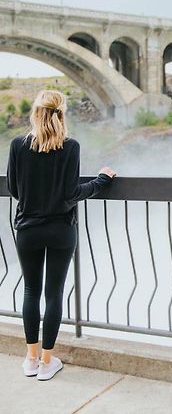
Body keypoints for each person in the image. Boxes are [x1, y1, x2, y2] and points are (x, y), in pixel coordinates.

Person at [6, 89, 117, 381]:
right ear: (61, 113)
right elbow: (71, 194)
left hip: (28, 229)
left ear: (36, 112)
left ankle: (30, 360)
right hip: (60, 231)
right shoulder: (71, 147)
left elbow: (15, 190)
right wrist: (102, 180)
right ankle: (46, 362)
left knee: (31, 291)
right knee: (53, 294)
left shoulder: (18, 145)